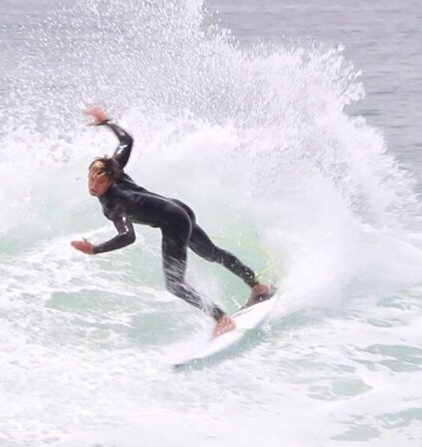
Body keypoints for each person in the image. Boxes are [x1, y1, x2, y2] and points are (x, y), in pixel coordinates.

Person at [71, 108, 274, 337]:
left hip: (173, 222)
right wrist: (107, 122)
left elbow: (128, 236)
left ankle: (222, 319)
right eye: (91, 179)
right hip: (179, 209)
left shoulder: (113, 205)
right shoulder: (115, 169)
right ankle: (259, 287)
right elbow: (127, 140)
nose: (93, 186)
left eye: (99, 182)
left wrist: (95, 249)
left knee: (175, 285)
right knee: (212, 253)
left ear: (109, 180)